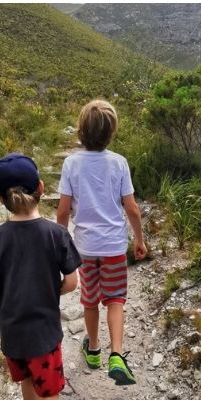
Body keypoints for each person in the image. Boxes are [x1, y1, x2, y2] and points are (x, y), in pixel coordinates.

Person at [55, 100, 148, 386]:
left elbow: (62, 210)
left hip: (85, 247)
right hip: (113, 247)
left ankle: (93, 350)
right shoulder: (119, 163)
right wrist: (139, 240)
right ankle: (117, 355)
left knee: (90, 300)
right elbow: (131, 208)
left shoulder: (71, 163)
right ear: (112, 132)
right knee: (116, 298)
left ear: (81, 130)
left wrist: (61, 246)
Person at [0, 153, 82, 400]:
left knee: (27, 380)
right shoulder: (56, 234)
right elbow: (72, 281)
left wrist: (9, 292)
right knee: (49, 390)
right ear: (42, 189)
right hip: (43, 334)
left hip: (12, 335)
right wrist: (47, 290)